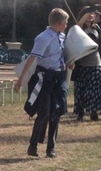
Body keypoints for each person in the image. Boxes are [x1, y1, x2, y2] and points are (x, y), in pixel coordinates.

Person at [15, 8, 74, 158]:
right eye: (65, 23)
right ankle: (33, 145)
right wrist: (21, 78)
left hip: (59, 76)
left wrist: (69, 63)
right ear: (60, 23)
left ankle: (51, 148)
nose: (66, 26)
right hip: (45, 77)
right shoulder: (43, 37)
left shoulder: (62, 36)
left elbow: (62, 55)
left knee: (57, 112)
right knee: (44, 113)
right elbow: (32, 58)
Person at [73, 10, 101, 121]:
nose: (90, 16)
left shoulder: (96, 28)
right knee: (80, 88)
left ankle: (93, 111)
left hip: (95, 62)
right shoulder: (79, 29)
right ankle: (80, 112)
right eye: (88, 13)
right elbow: (76, 28)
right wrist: (84, 17)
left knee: (93, 88)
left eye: (92, 14)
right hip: (81, 63)